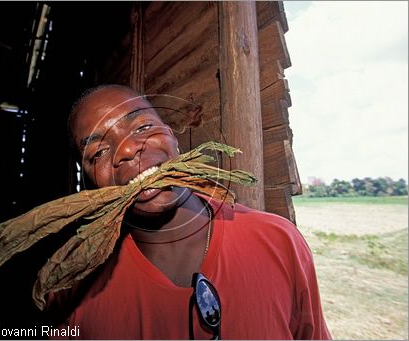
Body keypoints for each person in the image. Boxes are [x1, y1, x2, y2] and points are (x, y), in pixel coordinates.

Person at [46, 84, 331, 339]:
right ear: (92, 184)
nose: (128, 149)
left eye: (142, 127)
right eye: (98, 152)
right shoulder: (74, 294)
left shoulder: (278, 240)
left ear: (173, 139)